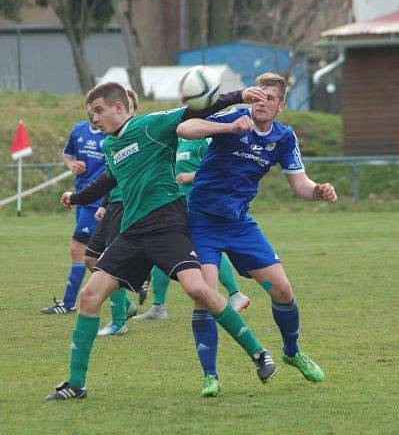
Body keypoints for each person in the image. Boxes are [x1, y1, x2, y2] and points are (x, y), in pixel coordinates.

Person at [44, 81, 276, 401]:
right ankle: (75, 383)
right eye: (90, 114)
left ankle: (258, 352)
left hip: (167, 225)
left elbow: (195, 110)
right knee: (89, 296)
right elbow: (111, 179)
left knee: (198, 289)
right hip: (132, 232)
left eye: (98, 111)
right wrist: (78, 196)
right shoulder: (111, 147)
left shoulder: (151, 126)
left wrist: (238, 96)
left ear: (119, 108)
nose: (94, 119)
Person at [177, 72, 337, 397]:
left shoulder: (283, 138)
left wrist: (318, 191)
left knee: (282, 289)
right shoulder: (234, 117)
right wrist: (228, 128)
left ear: (281, 105)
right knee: (204, 296)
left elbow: (300, 184)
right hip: (202, 222)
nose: (262, 103)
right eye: (258, 96)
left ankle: (292, 352)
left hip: (239, 224)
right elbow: (186, 128)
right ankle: (210, 376)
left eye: (270, 98)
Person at [134, 136, 250, 322]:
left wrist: (193, 176)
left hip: (198, 205)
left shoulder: (206, 141)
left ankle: (235, 295)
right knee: (163, 250)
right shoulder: (179, 141)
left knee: (204, 250)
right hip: (178, 205)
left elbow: (222, 168)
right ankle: (158, 307)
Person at [41, 103, 106, 314]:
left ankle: (69, 303)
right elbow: (68, 154)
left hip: (96, 201)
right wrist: (72, 165)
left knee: (80, 248)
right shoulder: (78, 130)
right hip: (80, 198)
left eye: (97, 108)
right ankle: (123, 297)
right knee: (93, 252)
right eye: (90, 107)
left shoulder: (110, 135)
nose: (93, 112)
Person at [84, 89, 139, 336]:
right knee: (90, 258)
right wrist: (104, 204)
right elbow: (111, 177)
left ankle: (119, 322)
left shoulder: (138, 136)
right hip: (113, 204)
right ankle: (124, 304)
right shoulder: (111, 142)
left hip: (126, 205)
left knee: (110, 263)